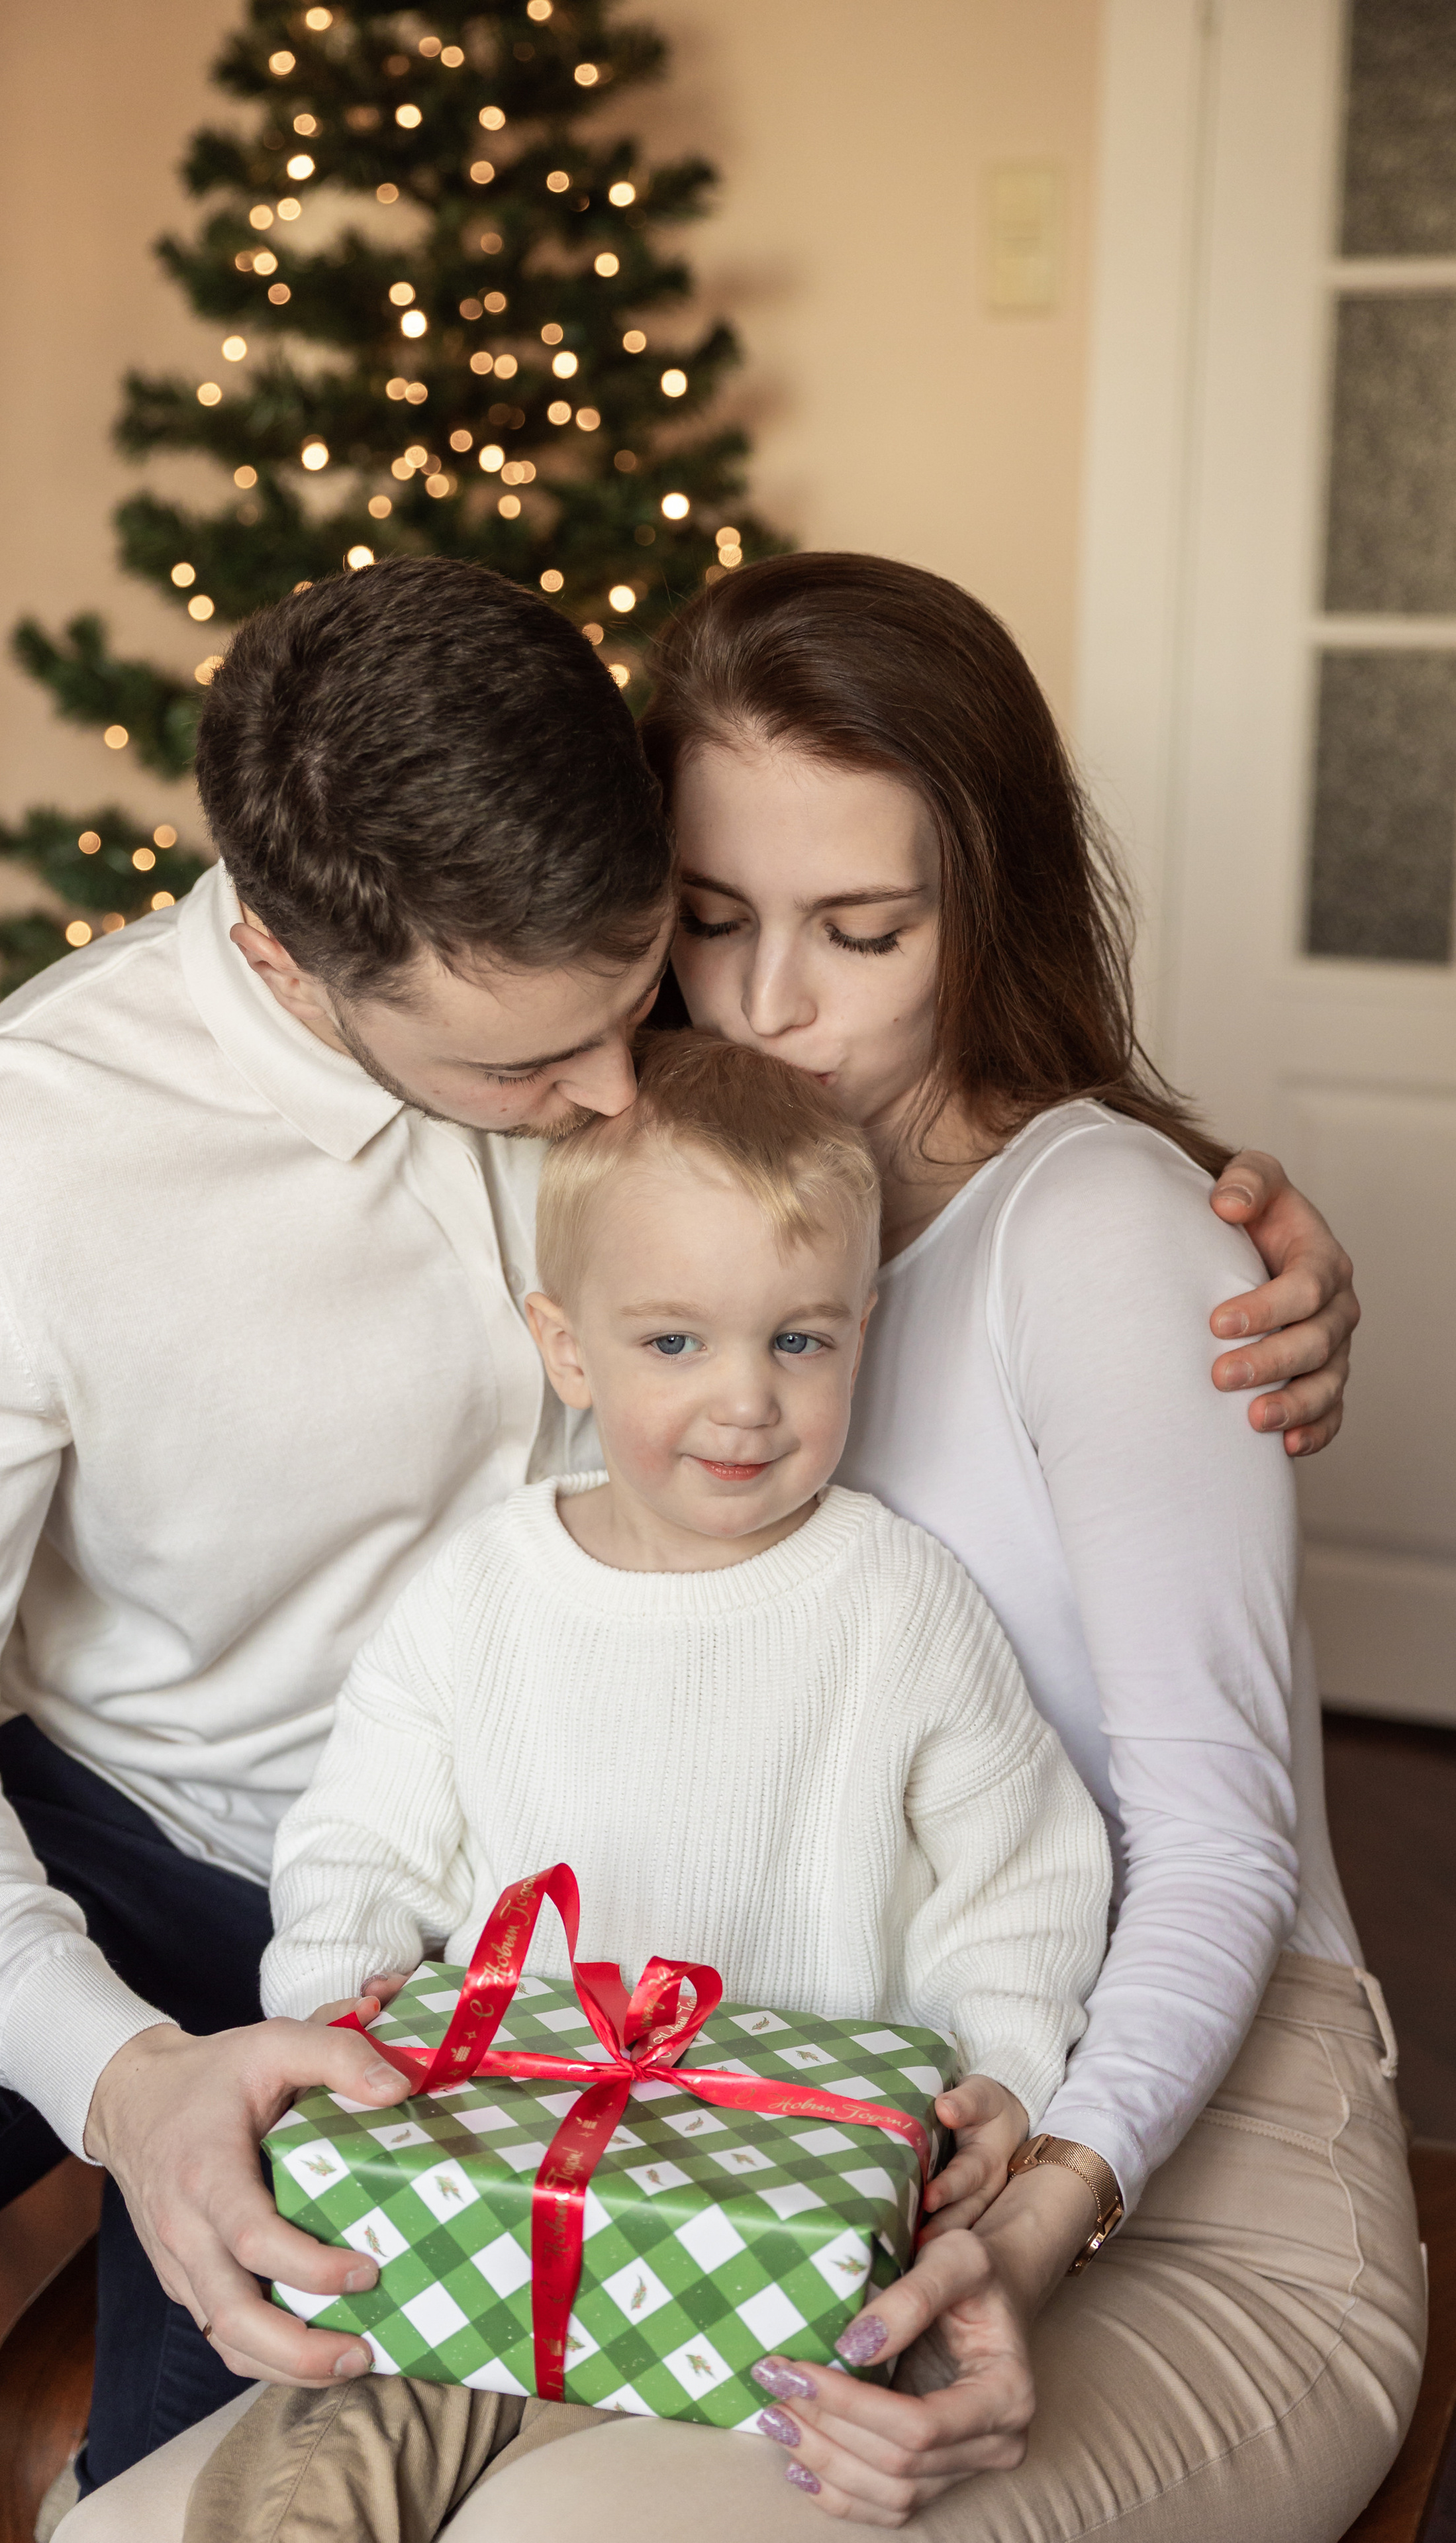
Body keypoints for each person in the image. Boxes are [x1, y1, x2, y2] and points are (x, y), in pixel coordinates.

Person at [0, 556, 1355, 2540]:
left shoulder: (685, 1017)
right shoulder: (8, 1168)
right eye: (525, 1074)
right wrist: (118, 2074)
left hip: (517, 1921)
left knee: (199, 2459)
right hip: (125, 1812)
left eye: (642, 987)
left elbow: (960, 1037)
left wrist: (1221, 1255)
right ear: (287, 959)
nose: (624, 1089)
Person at [422, 556, 1423, 2543]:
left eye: (863, 931)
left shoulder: (1106, 1237)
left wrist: (1040, 2207)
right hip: (789, 2139)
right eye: (711, 919)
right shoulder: (618, 1183)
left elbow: (1218, 1839)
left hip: (1194, 2185)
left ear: (990, 906)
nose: (769, 1003)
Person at [184, 1026, 1114, 2543]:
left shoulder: (899, 1603)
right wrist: (339, 2004)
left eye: (797, 1341)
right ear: (566, 1348)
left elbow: (1018, 1877)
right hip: (484, 2188)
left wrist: (1000, 2073)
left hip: (785, 2233)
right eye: (674, 1344)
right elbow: (358, 1844)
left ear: (861, 1327)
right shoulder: (477, 1591)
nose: (745, 1400)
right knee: (315, 2473)